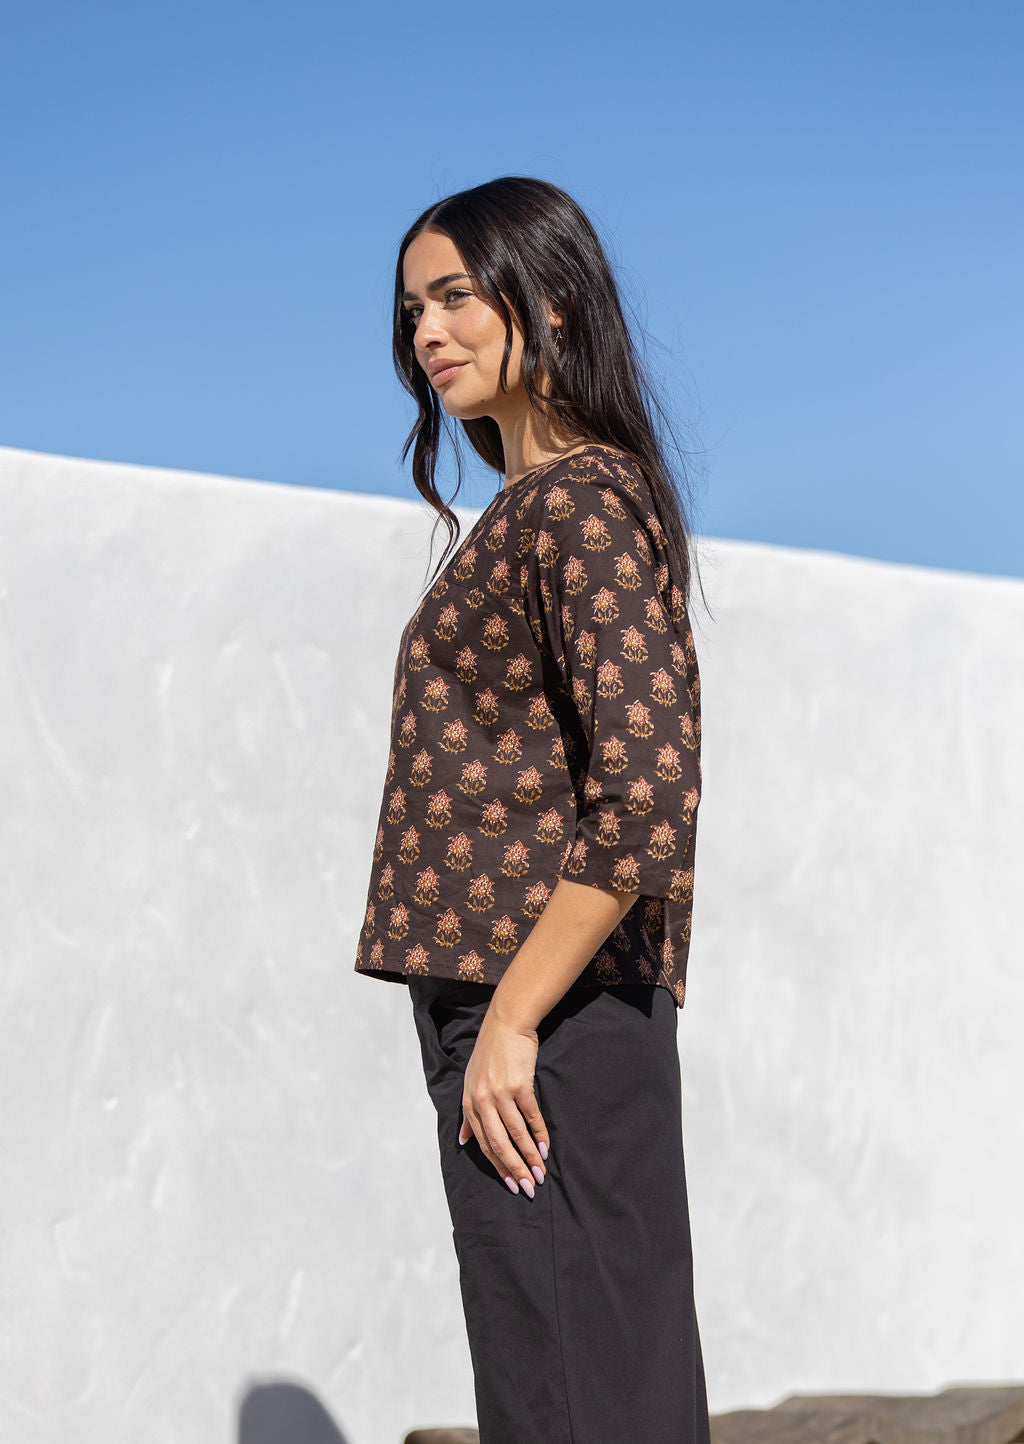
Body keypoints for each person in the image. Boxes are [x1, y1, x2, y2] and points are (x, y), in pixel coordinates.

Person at [354, 175, 711, 1444]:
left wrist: (509, 1018)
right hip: (518, 1018)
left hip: (544, 1021)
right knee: (565, 1384)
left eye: (455, 296)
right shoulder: (532, 509)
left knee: (579, 1392)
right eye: (412, 310)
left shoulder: (579, 502)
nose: (427, 334)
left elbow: (647, 798)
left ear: (548, 299)